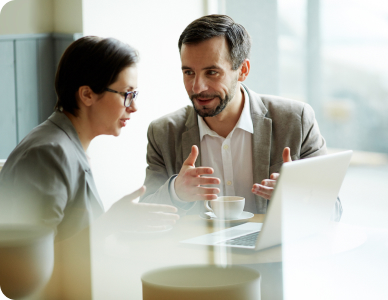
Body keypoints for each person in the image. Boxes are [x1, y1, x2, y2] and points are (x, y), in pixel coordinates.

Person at [140, 14, 342, 221]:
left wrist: (299, 197)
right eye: (189, 72)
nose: (197, 87)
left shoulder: (295, 120)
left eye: (211, 72)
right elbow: (145, 214)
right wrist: (176, 192)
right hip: (200, 253)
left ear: (243, 70)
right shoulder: (163, 132)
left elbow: (333, 210)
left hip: (274, 251)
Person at [0, 36, 179, 242]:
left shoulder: (67, 144)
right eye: (126, 94)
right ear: (86, 95)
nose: (134, 107)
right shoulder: (47, 153)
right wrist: (112, 222)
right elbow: (37, 259)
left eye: (134, 95)